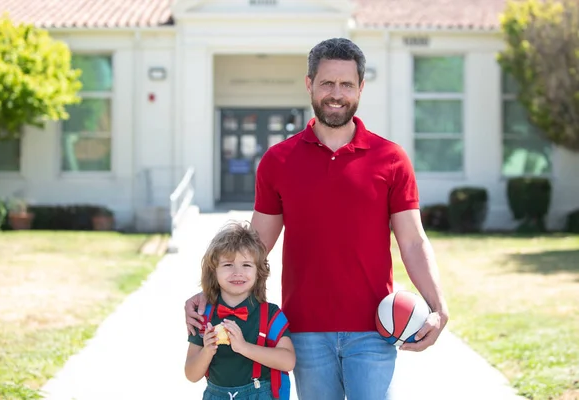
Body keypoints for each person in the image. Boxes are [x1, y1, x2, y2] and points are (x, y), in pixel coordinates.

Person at [185, 37, 449, 400]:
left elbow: (413, 240)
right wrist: (208, 294)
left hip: (374, 331)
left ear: (361, 87)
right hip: (304, 333)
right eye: (327, 83)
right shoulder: (279, 160)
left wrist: (438, 306)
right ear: (309, 84)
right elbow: (254, 246)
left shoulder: (391, 159)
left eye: (346, 84)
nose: (336, 93)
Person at [185, 221, 296, 400]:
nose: (238, 272)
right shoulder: (203, 315)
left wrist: (244, 347)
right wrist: (207, 351)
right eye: (228, 265)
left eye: (246, 265)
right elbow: (191, 374)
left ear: (259, 272)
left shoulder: (270, 315)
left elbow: (288, 361)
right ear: (214, 272)